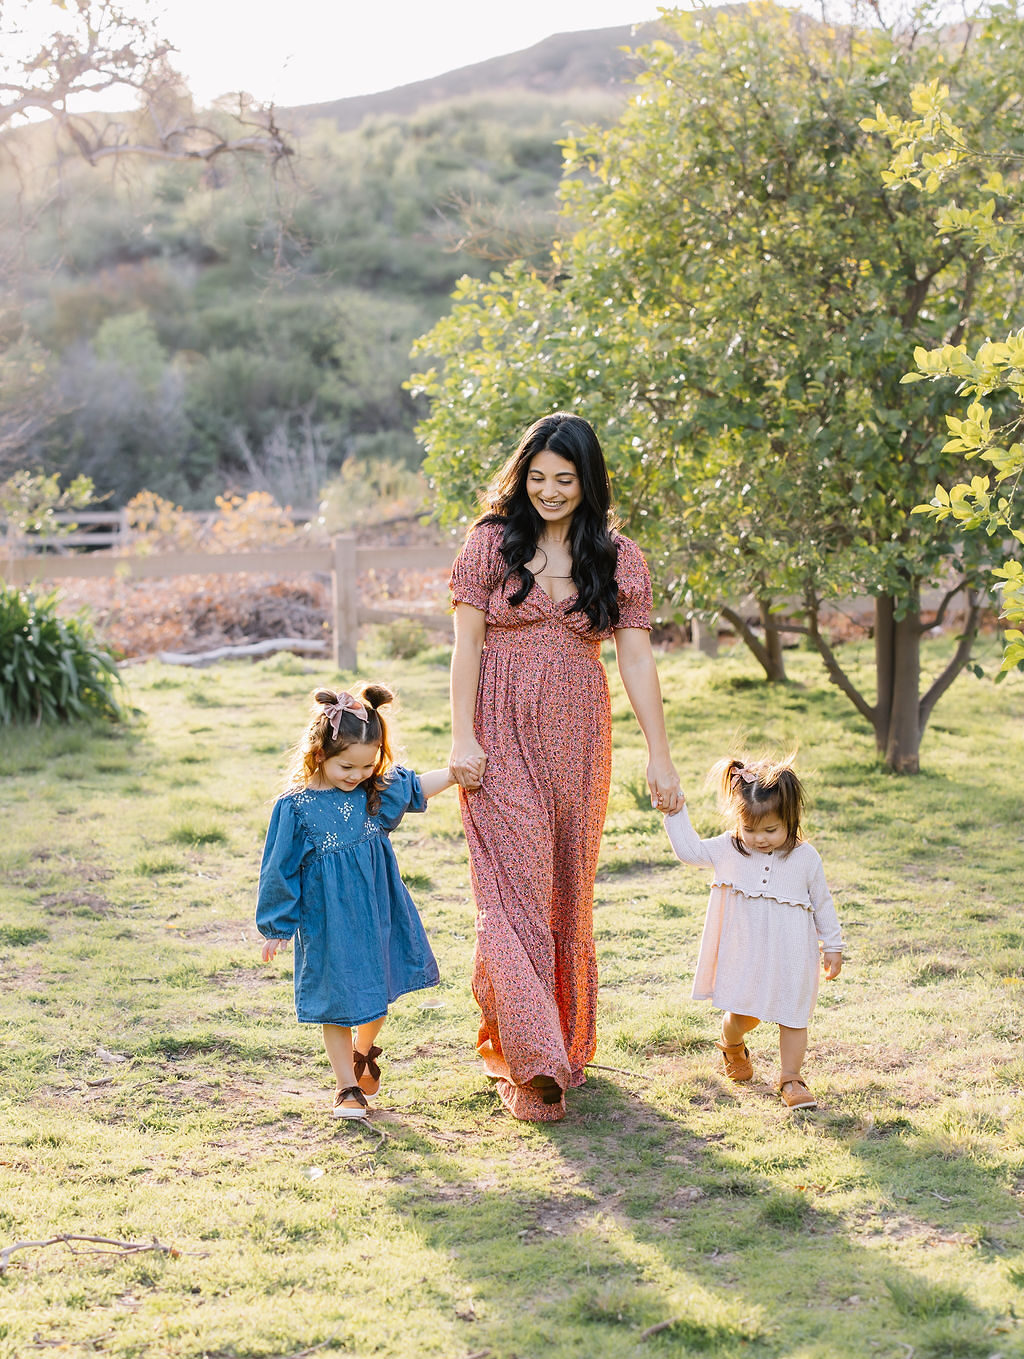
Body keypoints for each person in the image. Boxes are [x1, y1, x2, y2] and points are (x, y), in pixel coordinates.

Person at [448, 411, 684, 1122]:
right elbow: (465, 646)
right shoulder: (491, 543)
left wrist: (659, 752)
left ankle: (552, 1044)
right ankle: (533, 1060)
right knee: (511, 891)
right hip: (498, 732)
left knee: (564, 889)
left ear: (589, 483)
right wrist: (461, 736)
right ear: (522, 477)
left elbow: (635, 658)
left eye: (565, 479)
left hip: (580, 738)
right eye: (537, 477)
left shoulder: (617, 555)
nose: (549, 491)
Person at [256, 683, 454, 1120]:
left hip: (378, 908)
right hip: (330, 919)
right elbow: (278, 868)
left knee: (377, 989)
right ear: (318, 753)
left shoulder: (371, 790)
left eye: (367, 765)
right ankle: (348, 1087)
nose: (356, 775)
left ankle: (365, 1052)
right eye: (347, 765)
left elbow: (417, 787)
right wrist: (277, 926)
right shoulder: (296, 807)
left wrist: (456, 773)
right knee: (338, 998)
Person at [664, 755, 843, 1110]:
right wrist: (675, 811)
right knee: (748, 1016)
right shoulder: (731, 850)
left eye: (771, 830)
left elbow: (822, 903)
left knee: (793, 1015)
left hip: (793, 954)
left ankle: (791, 1078)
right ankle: (731, 1042)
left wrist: (833, 946)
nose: (759, 839)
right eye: (750, 830)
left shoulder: (805, 858)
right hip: (746, 953)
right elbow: (689, 851)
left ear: (791, 819)